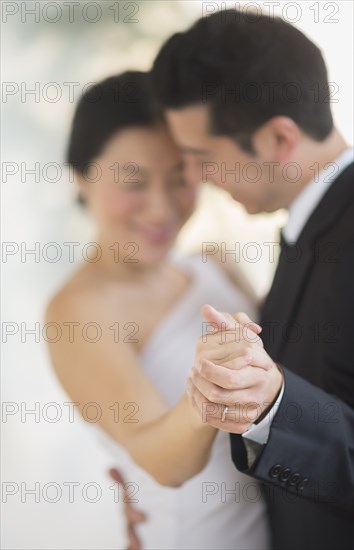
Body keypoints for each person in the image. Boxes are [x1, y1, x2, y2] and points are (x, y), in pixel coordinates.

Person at [143, 8, 354, 550]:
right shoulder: (310, 227)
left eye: (202, 157)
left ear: (279, 139)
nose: (197, 179)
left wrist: (276, 404)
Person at [45, 70, 271, 550]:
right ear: (82, 176)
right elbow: (164, 462)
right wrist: (210, 389)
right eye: (134, 181)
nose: (161, 208)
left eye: (180, 178)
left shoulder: (212, 260)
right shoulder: (79, 311)